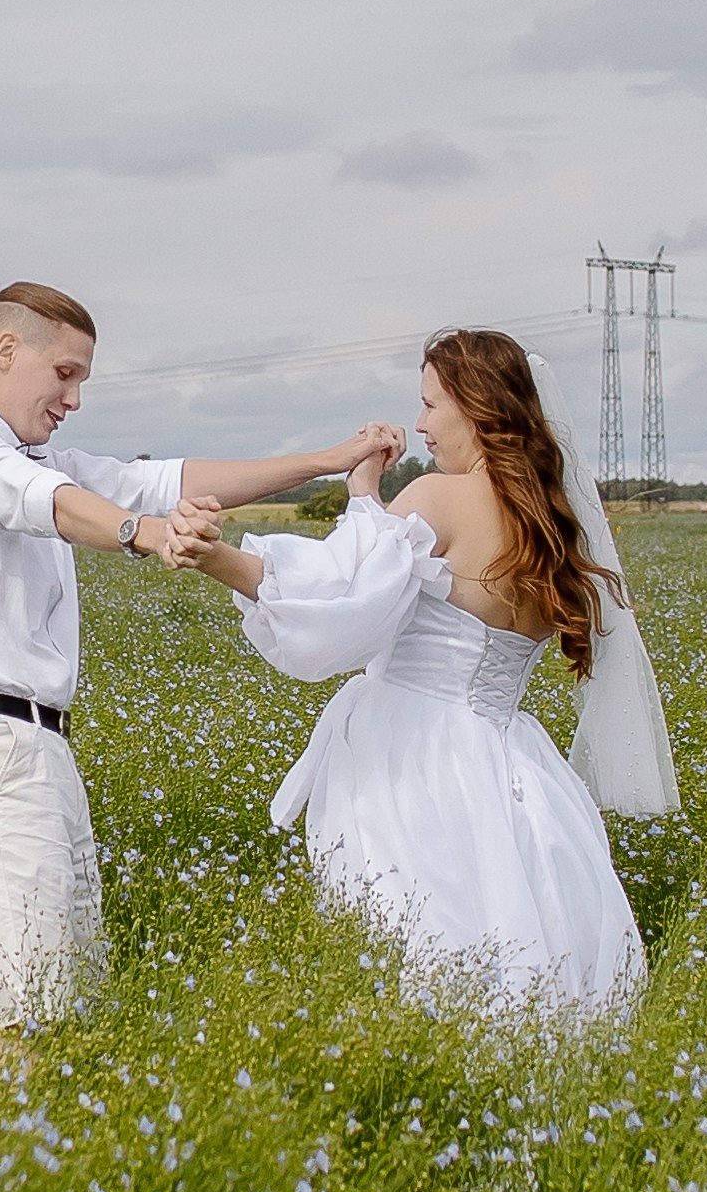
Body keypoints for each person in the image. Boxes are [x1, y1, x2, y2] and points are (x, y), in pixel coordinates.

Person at [0, 277, 400, 1058]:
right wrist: (148, 534)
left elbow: (172, 479)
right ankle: (4, 1164)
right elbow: (41, 499)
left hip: (34, 752)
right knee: (30, 1027)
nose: (74, 399)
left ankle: (39, 1162)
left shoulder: (37, 453)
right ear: (8, 349)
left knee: (72, 1011)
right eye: (66, 375)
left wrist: (333, 460)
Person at [178, 327, 679, 1011]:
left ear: (477, 406)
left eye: (431, 403)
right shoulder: (554, 524)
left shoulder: (440, 498)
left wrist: (217, 558)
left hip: (411, 752)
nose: (419, 422)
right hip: (512, 759)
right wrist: (366, 493)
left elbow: (343, 595)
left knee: (412, 943)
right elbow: (385, 572)